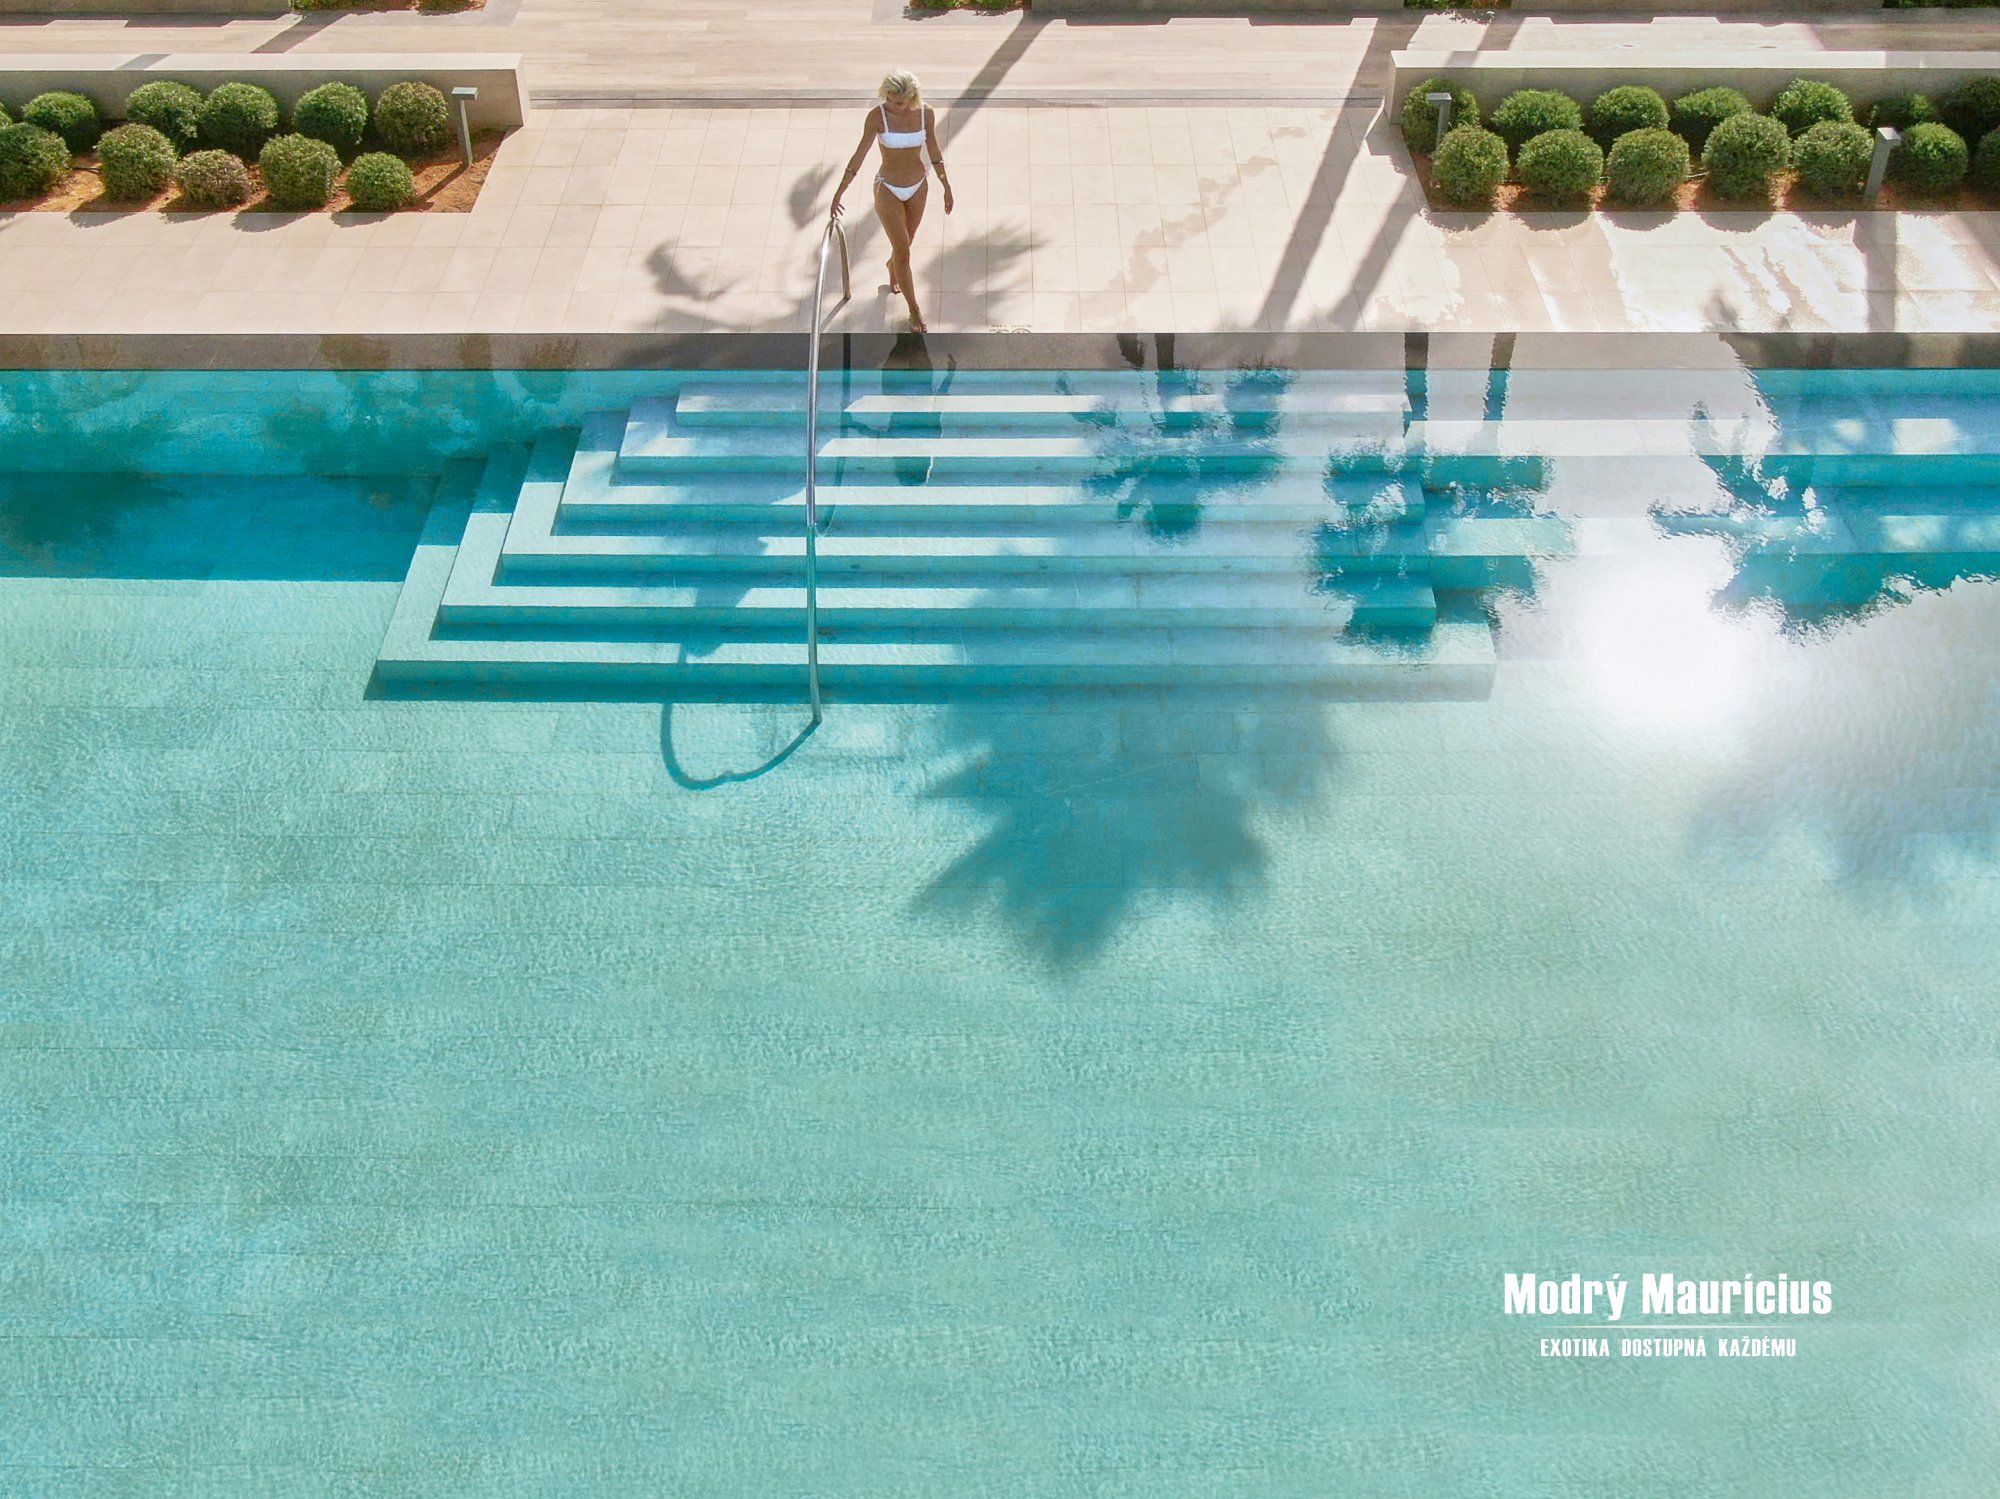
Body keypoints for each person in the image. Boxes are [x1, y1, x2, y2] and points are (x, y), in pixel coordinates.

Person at [830, 71, 954, 333]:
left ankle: (892, 264)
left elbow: (933, 151)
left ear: (912, 97)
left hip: (918, 186)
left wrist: (946, 185)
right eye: (888, 99)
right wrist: (840, 190)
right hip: (888, 187)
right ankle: (914, 310)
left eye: (898, 102)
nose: (892, 106)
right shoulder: (878, 117)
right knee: (903, 250)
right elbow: (859, 154)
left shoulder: (926, 114)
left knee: (907, 241)